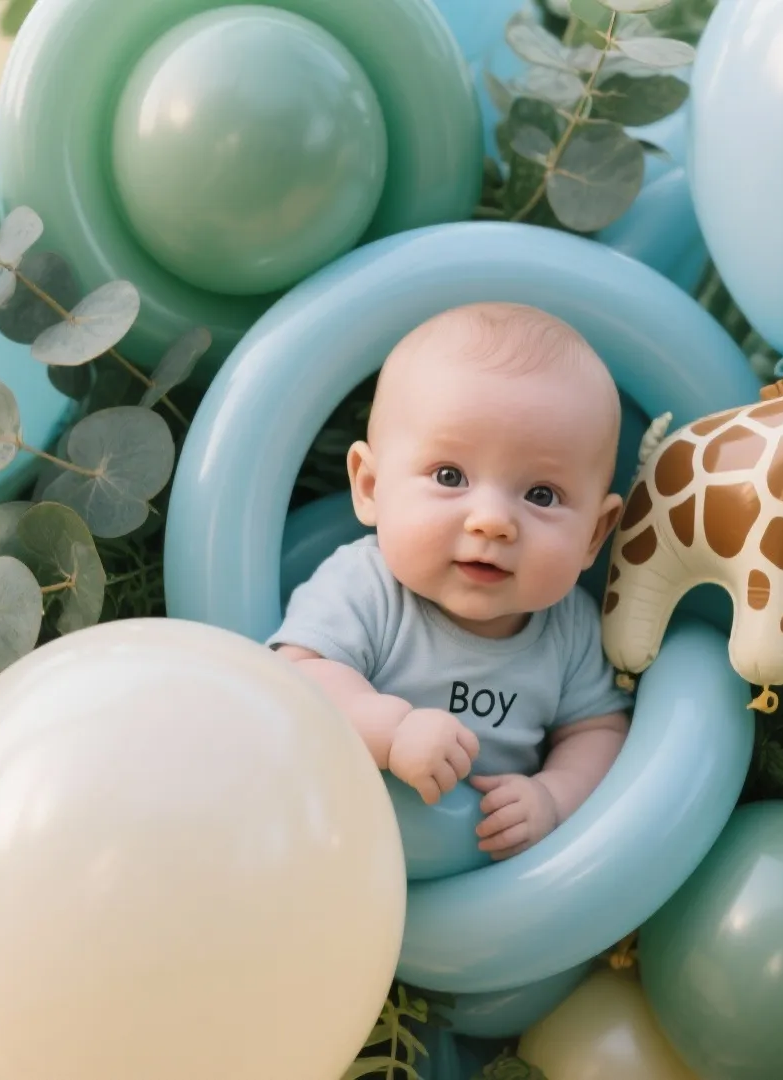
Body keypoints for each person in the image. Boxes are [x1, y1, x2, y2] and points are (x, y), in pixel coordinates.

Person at [269, 301, 631, 861]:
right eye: (449, 476)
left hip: (483, 892)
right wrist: (391, 733)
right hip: (334, 849)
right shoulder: (365, 586)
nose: (492, 520)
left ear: (594, 534)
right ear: (370, 486)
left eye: (541, 495)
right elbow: (295, 682)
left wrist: (553, 797)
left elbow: (598, 734)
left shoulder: (571, 627)